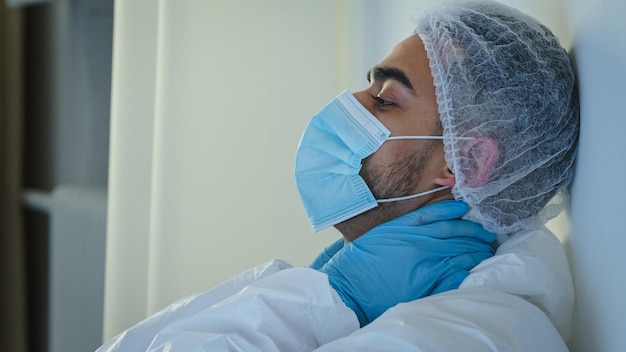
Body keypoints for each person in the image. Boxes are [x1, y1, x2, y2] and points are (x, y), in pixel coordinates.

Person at [97, 0, 578, 350]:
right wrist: (330, 298)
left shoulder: (474, 336)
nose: (349, 107)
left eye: (385, 100)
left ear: (466, 164)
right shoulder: (363, 291)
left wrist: (330, 303)